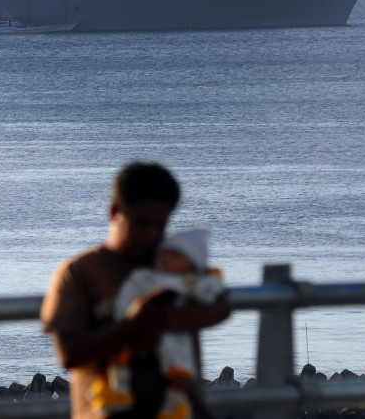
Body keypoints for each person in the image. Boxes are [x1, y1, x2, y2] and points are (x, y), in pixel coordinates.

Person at [40, 161, 230, 419]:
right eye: (141, 223)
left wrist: (164, 320)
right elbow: (70, 354)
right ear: (114, 212)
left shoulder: (170, 264)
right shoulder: (79, 272)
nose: (151, 234)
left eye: (160, 225)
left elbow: (221, 304)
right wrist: (133, 324)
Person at [106, 228, 226, 419]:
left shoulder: (189, 282)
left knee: (178, 370)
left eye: (176, 256)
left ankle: (173, 404)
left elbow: (211, 292)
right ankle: (119, 391)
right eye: (164, 254)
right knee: (122, 359)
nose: (166, 259)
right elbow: (129, 292)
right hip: (139, 334)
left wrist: (210, 276)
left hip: (174, 339)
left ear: (193, 266)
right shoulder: (146, 277)